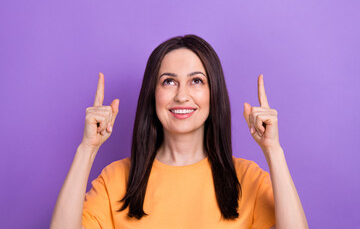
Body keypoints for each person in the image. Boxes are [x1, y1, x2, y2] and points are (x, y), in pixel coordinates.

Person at [50, 35, 308, 229]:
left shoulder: (247, 178)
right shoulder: (115, 179)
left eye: (196, 81)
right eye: (169, 81)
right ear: (152, 94)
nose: (182, 95)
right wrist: (87, 149)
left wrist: (273, 150)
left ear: (213, 93)